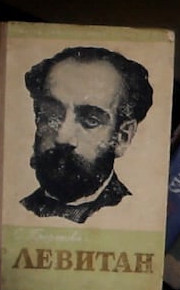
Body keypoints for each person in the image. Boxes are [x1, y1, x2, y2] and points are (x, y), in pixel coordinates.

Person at [16, 41, 157, 223]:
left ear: (122, 137)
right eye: (52, 115)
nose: (62, 137)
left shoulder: (135, 216)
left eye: (91, 120)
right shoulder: (20, 209)